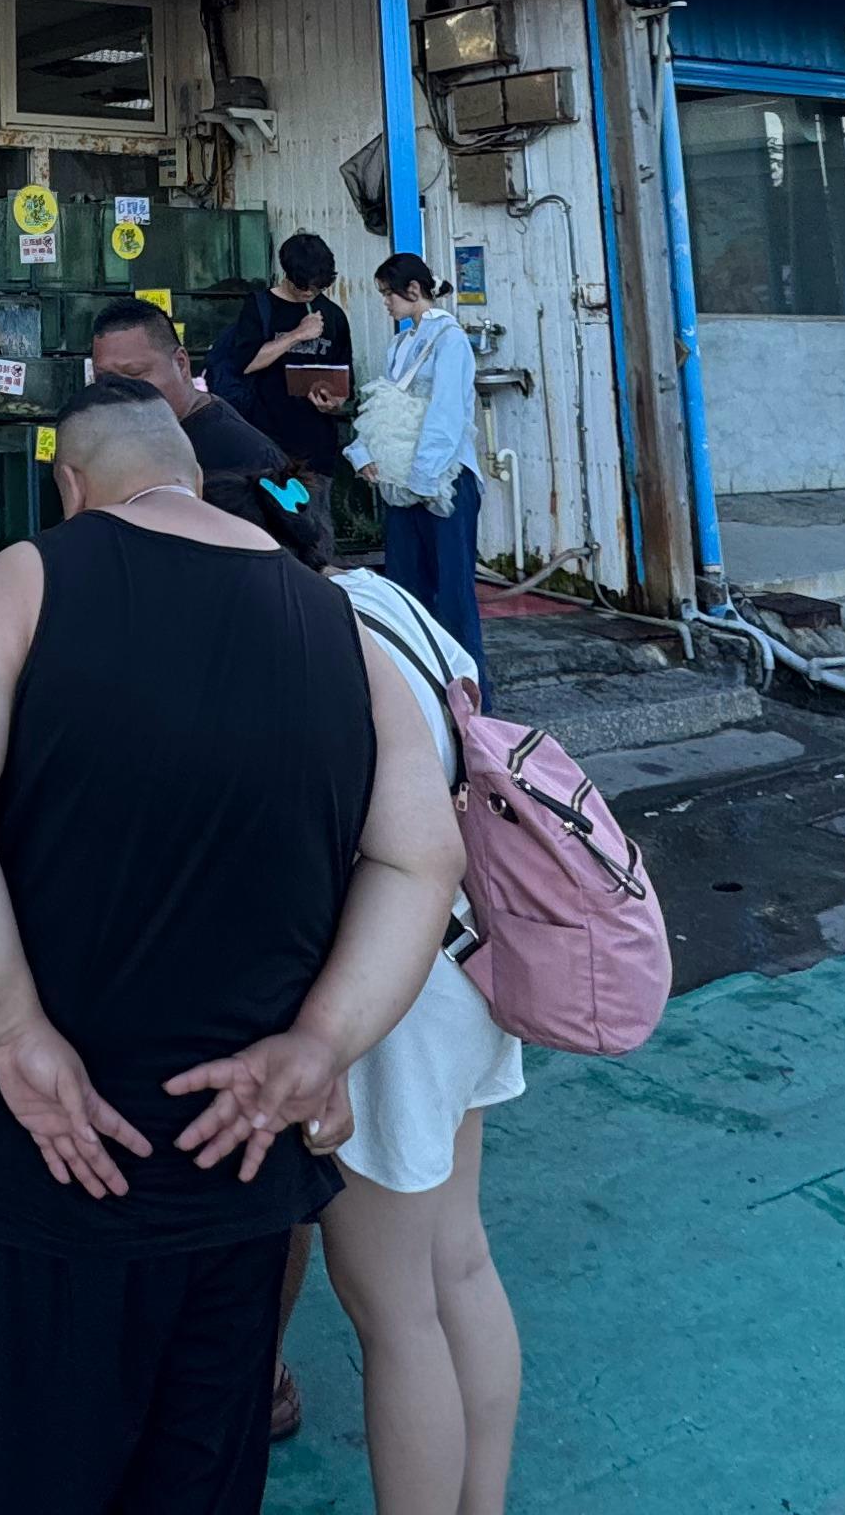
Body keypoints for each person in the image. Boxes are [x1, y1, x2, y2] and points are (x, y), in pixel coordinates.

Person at [0, 378, 465, 1515]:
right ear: (195, 477)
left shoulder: (29, 578)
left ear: (72, 486)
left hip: (38, 1167)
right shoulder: (338, 624)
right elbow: (422, 861)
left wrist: (15, 1026)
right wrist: (323, 1042)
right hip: (238, 1169)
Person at [322, 562, 527, 1515]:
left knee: (394, 1310)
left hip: (388, 984)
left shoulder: (308, 637)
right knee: (461, 1260)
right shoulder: (390, 598)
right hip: (471, 957)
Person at [87, 299, 318, 535]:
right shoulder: (118, 439)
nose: (118, 391)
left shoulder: (250, 457)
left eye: (135, 374)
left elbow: (298, 549)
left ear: (181, 364)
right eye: (105, 379)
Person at [361, 254, 488, 674]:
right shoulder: (400, 344)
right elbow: (386, 406)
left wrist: (423, 475)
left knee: (452, 593)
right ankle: (419, 687)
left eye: (388, 294)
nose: (386, 302)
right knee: (405, 590)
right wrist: (365, 453)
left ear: (413, 290)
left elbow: (447, 414)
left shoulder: (450, 339)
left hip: (446, 479)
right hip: (403, 480)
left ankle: (468, 694)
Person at [214, 235, 357, 488]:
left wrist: (334, 403)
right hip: (264, 442)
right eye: (303, 287)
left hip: (316, 449)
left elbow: (344, 380)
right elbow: (245, 363)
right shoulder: (260, 307)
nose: (309, 293)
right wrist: (297, 335)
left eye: (318, 288)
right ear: (287, 275)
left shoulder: (333, 315)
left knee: (314, 511)